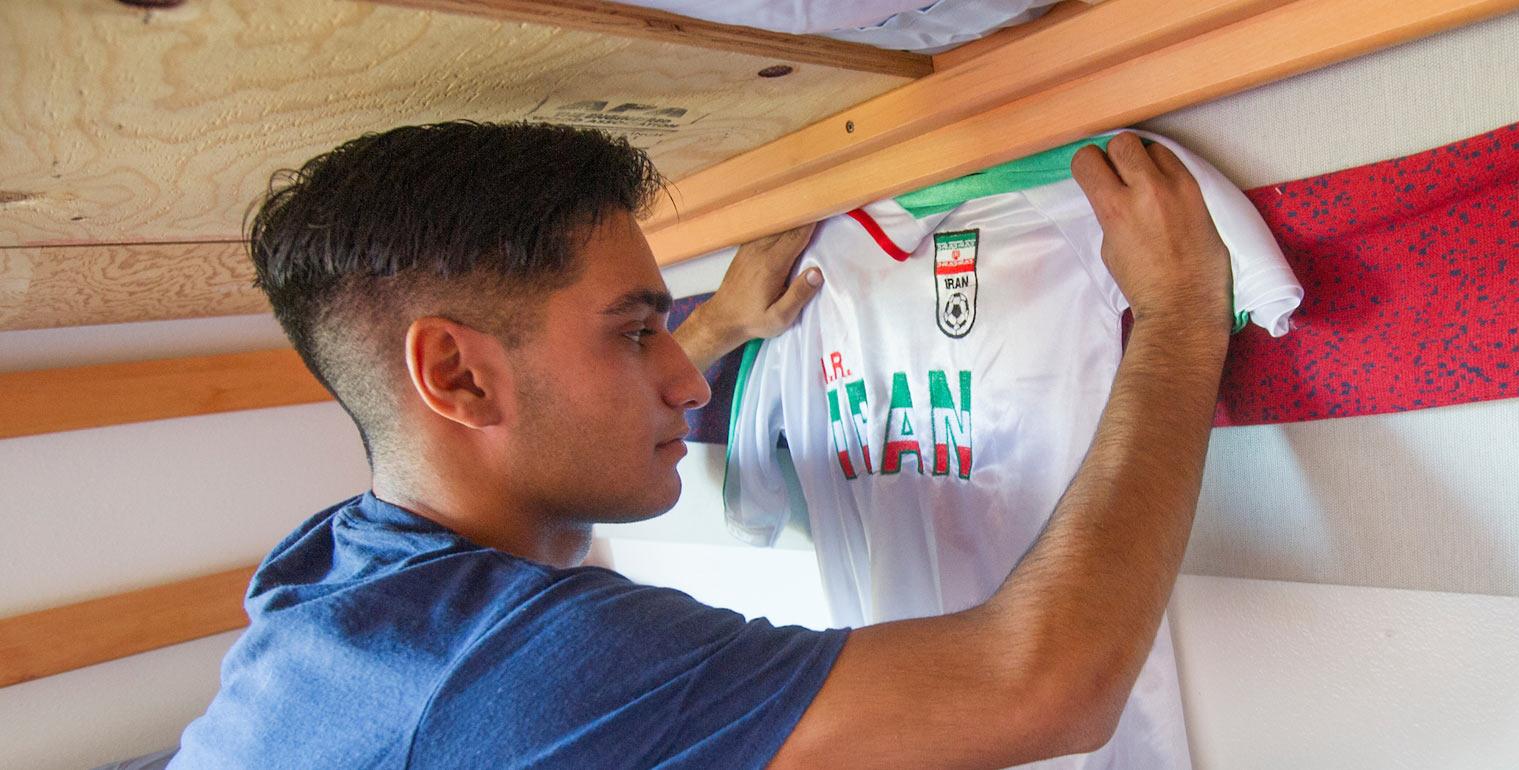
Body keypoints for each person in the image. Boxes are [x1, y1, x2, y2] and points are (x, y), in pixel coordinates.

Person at [168, 120, 1235, 769]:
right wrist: (1182, 313)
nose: (687, 379)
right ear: (455, 374)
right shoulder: (521, 666)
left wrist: (718, 324)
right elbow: (1045, 684)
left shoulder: (334, 573)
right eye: (637, 331)